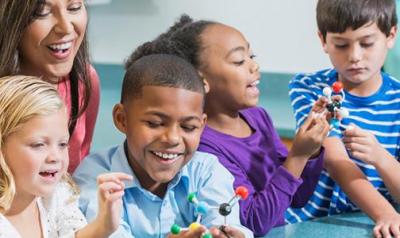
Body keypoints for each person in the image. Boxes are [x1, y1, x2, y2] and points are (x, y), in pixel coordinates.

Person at [127, 15, 332, 236]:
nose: (254, 66)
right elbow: (252, 222)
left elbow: (299, 197)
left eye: (251, 56)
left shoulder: (257, 117)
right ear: (200, 80)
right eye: (239, 61)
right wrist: (298, 157)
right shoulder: (202, 145)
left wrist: (310, 151)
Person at [73, 54, 253, 238]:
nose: (173, 138)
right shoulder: (99, 178)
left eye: (188, 127)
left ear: (202, 126)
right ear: (122, 119)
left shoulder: (207, 171)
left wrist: (229, 235)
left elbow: (224, 221)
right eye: (154, 123)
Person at [285, 0, 400, 237]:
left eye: (367, 43)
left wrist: (380, 157)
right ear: (323, 40)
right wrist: (384, 213)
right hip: (310, 224)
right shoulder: (309, 88)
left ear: (391, 35)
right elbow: (335, 160)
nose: (355, 56)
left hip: (370, 225)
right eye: (341, 45)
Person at [0, 75, 132, 237]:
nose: (55, 157)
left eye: (62, 144)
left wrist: (104, 226)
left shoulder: (56, 195)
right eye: (39, 145)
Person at [0, 0, 100, 173]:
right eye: (41, 12)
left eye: (74, 8)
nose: (66, 28)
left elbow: (76, 178)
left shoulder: (84, 80)